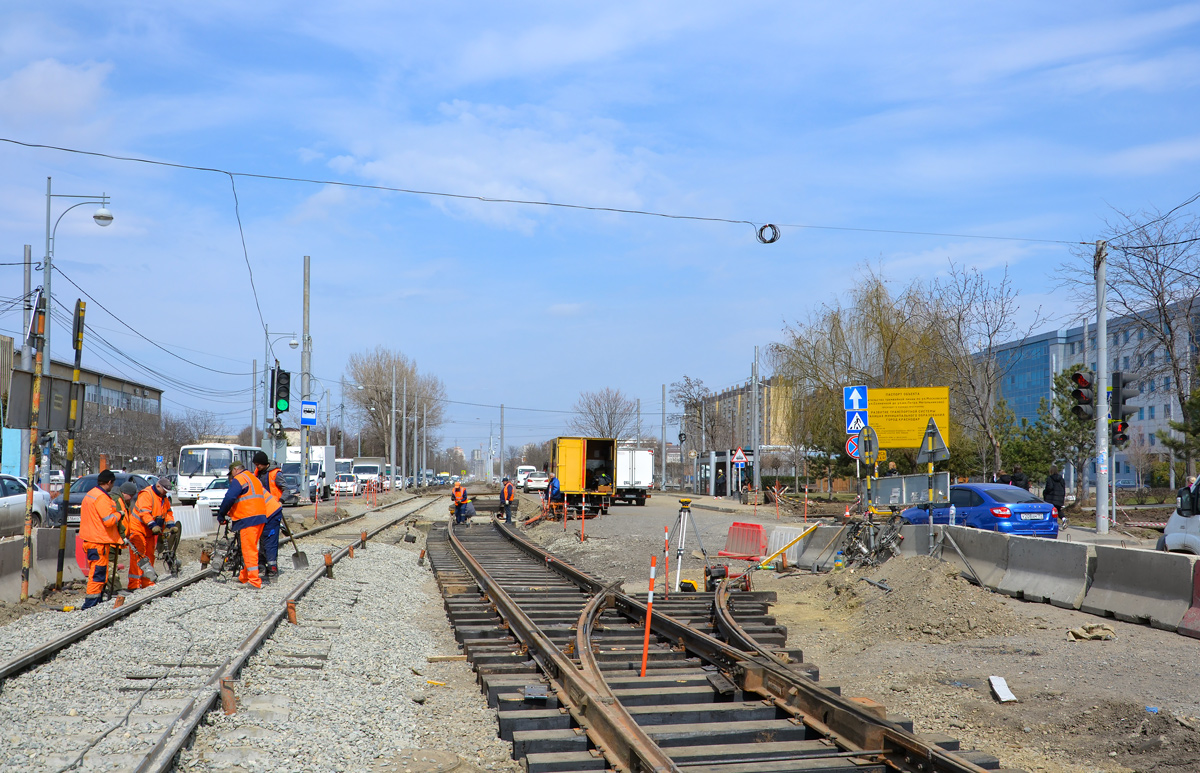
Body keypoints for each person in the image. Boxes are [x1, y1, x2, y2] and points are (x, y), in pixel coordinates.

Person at [214, 459, 268, 588]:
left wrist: (221, 514)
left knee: (249, 550)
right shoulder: (253, 478)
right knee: (250, 548)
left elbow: (230, 497)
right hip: (259, 517)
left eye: (232, 473)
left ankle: (254, 581)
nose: (232, 477)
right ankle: (244, 576)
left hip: (248, 518)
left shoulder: (240, 478)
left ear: (235, 470)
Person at [79, 470, 122, 609]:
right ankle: (90, 605)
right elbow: (109, 521)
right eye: (112, 483)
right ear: (109, 482)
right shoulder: (101, 498)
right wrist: (119, 514)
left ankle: (95, 602)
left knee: (98, 573)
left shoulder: (90, 494)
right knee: (97, 575)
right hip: (98, 542)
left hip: (91, 540)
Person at [131, 477, 178, 588]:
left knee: (150, 555)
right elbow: (144, 513)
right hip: (138, 530)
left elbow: (168, 513)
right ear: (158, 486)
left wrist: (171, 525)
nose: (166, 493)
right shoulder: (147, 494)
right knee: (139, 557)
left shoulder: (163, 498)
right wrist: (153, 525)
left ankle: (148, 582)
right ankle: (134, 585)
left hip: (150, 531)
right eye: (165, 490)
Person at [255, 451, 287, 579]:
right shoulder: (257, 474)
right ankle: (262, 564)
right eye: (256, 464)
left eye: (258, 464)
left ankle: (272, 567)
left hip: (274, 510)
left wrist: (281, 502)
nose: (257, 467)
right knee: (262, 539)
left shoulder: (276, 474)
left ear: (264, 463)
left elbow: (286, 489)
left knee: (271, 538)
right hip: (261, 510)